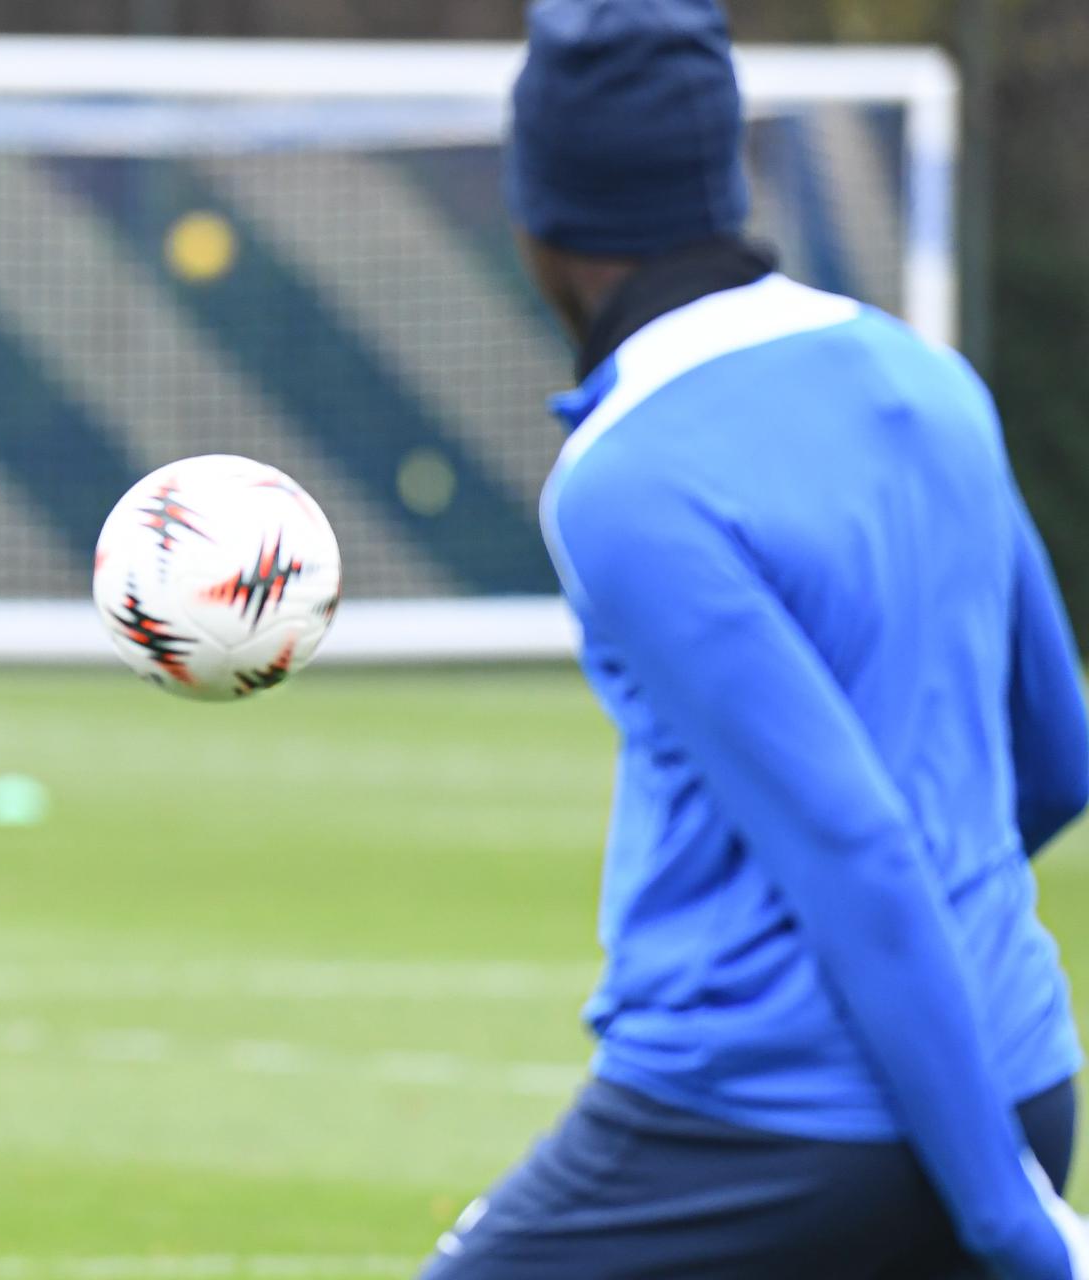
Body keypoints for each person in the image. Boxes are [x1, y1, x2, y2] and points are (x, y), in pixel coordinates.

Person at [419, 3, 1089, 1277]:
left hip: (760, 1131)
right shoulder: (931, 378)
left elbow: (852, 840)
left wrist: (1006, 1219)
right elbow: (1055, 755)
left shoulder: (626, 478)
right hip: (1019, 1077)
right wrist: (988, 1139)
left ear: (539, 212)